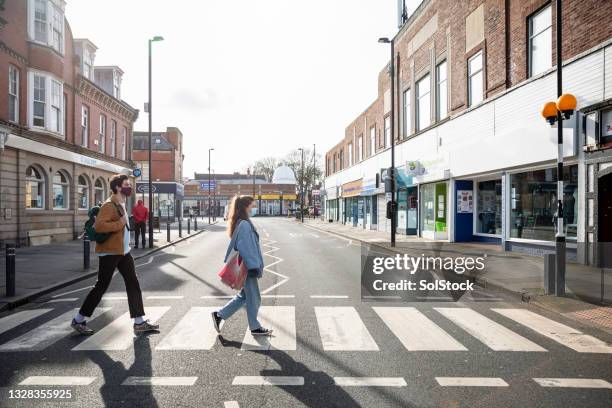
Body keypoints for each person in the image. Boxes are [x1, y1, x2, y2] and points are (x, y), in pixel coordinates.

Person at [71, 174, 159, 335]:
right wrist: (121, 223)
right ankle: (78, 319)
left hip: (123, 252)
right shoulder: (109, 205)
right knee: (101, 286)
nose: (129, 187)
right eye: (126, 184)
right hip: (110, 253)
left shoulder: (121, 203)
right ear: (118, 187)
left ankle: (139, 321)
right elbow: (99, 226)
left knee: (133, 283)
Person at [211, 195, 272, 336]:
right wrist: (253, 266)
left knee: (244, 296)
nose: (254, 207)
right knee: (254, 297)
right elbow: (245, 247)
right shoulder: (244, 224)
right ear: (246, 206)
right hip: (248, 267)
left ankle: (219, 315)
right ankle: (255, 327)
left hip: (248, 265)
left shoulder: (241, 222)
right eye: (253, 204)